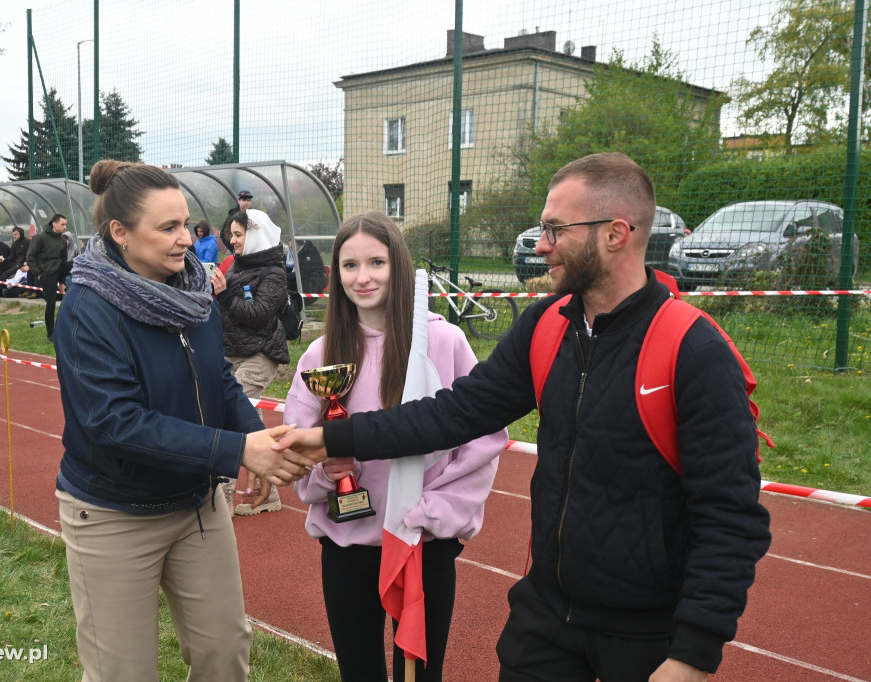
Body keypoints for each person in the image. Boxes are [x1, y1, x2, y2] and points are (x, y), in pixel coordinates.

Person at [276, 153, 772, 682]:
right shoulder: (545, 325)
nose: (541, 245)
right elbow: (453, 413)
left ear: (616, 234)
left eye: (556, 229)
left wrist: (694, 651)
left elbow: (729, 511)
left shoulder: (694, 350)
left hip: (646, 630)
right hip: (547, 615)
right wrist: (332, 440)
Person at [52, 159, 313, 682]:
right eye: (168, 227)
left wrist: (259, 440)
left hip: (197, 504)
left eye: (186, 224)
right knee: (123, 674)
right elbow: (115, 423)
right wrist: (236, 452)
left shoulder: (194, 291)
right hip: (114, 513)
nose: (186, 240)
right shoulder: (86, 308)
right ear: (120, 232)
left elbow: (218, 378)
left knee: (225, 653)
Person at [288, 211, 506, 682]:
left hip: (422, 545)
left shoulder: (444, 341)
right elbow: (297, 443)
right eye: (349, 265)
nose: (362, 278)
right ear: (336, 274)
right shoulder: (320, 356)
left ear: (399, 266)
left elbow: (484, 439)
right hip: (348, 546)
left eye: (376, 263)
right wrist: (324, 473)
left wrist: (435, 512)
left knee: (423, 675)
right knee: (359, 673)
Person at [209, 208, 290, 516]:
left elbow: (257, 315)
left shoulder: (273, 273)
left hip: (260, 354)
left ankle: (223, 499)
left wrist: (224, 295)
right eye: (231, 234)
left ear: (255, 235)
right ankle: (269, 495)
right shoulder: (236, 265)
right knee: (248, 425)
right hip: (232, 352)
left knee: (231, 418)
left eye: (238, 234)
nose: (232, 240)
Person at [26, 214, 72, 343]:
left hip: (59, 269)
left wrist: (62, 282)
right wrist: (38, 274)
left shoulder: (62, 240)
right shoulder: (40, 238)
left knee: (75, 264)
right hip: (46, 273)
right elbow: (30, 257)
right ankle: (51, 334)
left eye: (66, 224)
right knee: (51, 303)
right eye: (62, 224)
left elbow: (64, 260)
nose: (65, 227)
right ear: (54, 224)